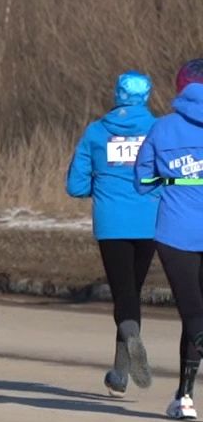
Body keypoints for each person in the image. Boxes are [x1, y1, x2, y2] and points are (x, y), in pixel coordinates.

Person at [67, 71, 160, 396]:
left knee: (124, 294)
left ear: (117, 95)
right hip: (149, 221)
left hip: (112, 223)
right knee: (131, 292)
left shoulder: (96, 132)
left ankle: (128, 349)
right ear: (146, 96)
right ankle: (120, 373)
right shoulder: (158, 130)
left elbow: (75, 185)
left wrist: (103, 186)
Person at [134, 59, 203, 420]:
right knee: (197, 318)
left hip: (177, 232)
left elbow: (142, 181)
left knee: (193, 314)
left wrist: (171, 180)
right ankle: (184, 394)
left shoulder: (162, 128)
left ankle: (186, 398)